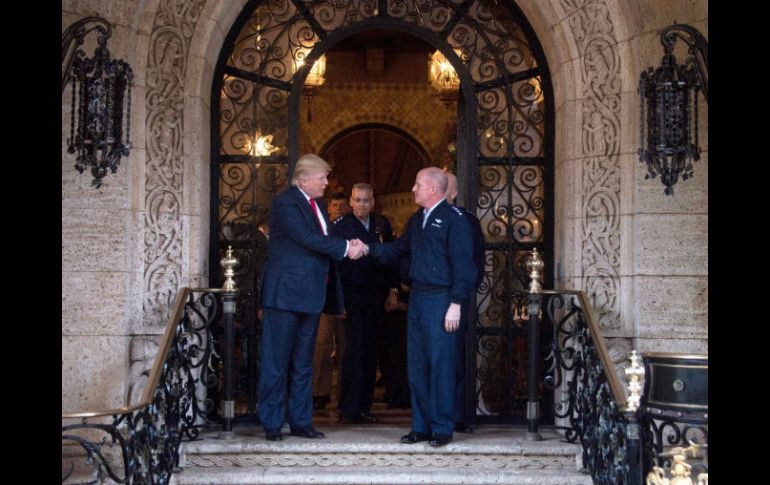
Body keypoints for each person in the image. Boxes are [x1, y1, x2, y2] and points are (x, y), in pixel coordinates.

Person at [364, 167, 477, 447]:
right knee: (418, 365)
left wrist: (456, 304)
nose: (413, 189)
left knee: (441, 365)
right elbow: (396, 251)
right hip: (417, 299)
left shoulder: (455, 220)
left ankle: (442, 427)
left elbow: (465, 266)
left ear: (433, 190)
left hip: (442, 299)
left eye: (417, 184)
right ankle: (421, 426)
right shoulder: (418, 220)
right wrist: (364, 249)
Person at [257, 154, 367, 442]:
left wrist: (346, 246)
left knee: (305, 363)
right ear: (304, 179)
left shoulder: (317, 204)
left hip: (310, 295)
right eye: (322, 178)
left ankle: (301, 422)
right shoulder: (286, 202)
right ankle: (271, 422)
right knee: (276, 361)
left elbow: (320, 241)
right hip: (284, 295)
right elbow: (306, 237)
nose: (327, 183)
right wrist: (346, 247)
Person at [331, 183, 399, 423]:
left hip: (376, 297)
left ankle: (364, 407)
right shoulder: (340, 227)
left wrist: (393, 290)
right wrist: (339, 302)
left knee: (371, 352)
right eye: (357, 200)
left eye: (366, 200)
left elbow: (391, 258)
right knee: (353, 352)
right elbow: (335, 267)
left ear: (372, 202)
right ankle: (349, 407)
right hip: (352, 298)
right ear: (351, 202)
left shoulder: (382, 224)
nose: (361, 205)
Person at [445, 172, 485, 433]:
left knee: (457, 359)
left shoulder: (467, 221)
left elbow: (476, 260)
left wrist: (463, 293)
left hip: (457, 298)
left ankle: (458, 414)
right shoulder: (420, 220)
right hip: (429, 299)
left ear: (453, 193)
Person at [312, 192, 352, 411]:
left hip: (347, 293)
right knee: (322, 344)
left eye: (342, 204)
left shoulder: (349, 229)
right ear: (328, 208)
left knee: (346, 346)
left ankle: (346, 394)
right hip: (326, 295)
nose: (338, 208)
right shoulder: (323, 228)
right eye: (334, 204)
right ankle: (319, 392)